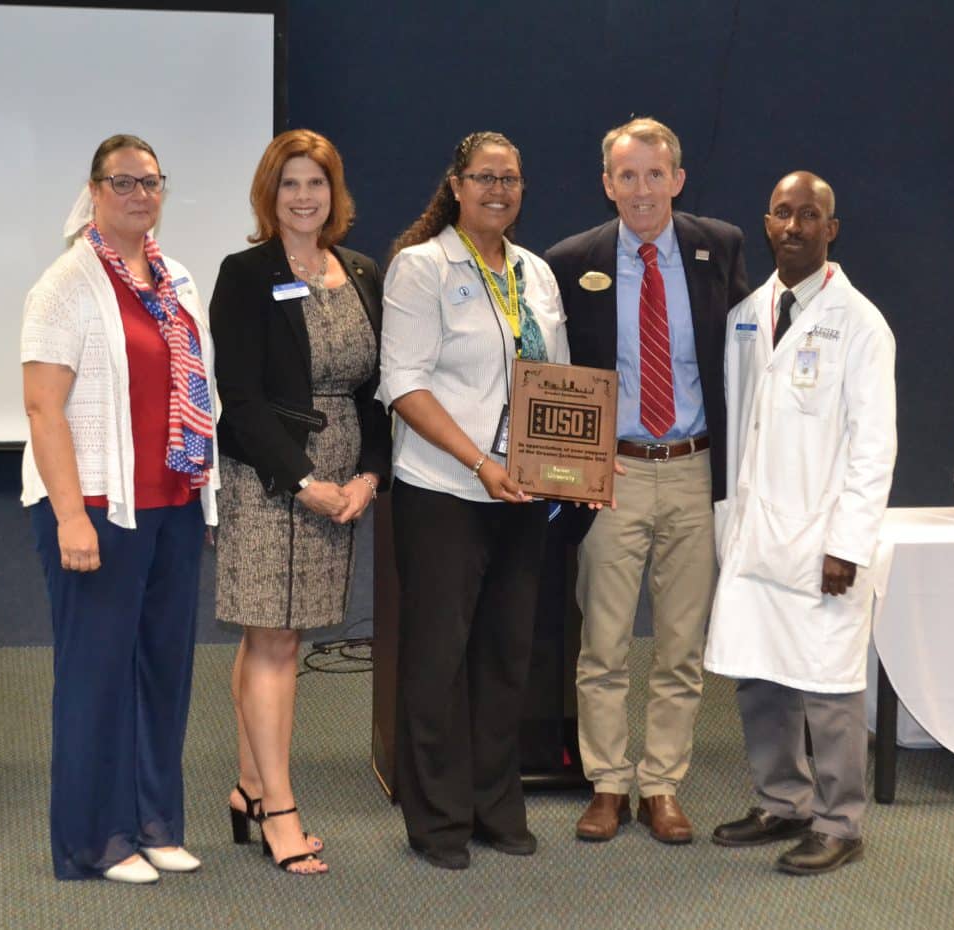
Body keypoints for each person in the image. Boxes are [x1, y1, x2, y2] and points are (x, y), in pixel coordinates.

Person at [545, 117, 749, 844]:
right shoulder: (571, 261)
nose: (641, 189)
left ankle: (661, 783)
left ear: (678, 179)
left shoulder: (717, 247)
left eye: (653, 174)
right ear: (607, 184)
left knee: (679, 642)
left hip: (693, 469)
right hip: (613, 473)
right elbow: (556, 375)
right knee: (602, 641)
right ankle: (607, 782)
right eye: (626, 176)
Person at [22, 134, 218, 882]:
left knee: (163, 670)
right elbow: (43, 410)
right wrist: (71, 515)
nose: (140, 195)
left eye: (151, 182)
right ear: (95, 191)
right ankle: (93, 840)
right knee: (96, 676)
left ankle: (154, 822)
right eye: (124, 183)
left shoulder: (178, 280)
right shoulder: (65, 283)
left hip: (171, 502)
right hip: (97, 507)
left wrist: (203, 495)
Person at [378, 131, 570, 870]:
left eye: (511, 179)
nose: (499, 189)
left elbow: (555, 380)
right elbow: (403, 384)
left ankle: (497, 806)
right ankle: (438, 822)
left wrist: (570, 469)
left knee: (505, 659)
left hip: (521, 495)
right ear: (456, 185)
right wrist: (477, 462)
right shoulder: (421, 269)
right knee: (436, 661)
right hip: (445, 493)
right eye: (485, 177)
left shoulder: (536, 274)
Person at [705, 171, 897, 875]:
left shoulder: (862, 325)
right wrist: (730, 521)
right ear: (765, 223)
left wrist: (848, 542)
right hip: (756, 531)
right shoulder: (749, 315)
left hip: (823, 539)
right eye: (783, 213)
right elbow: (738, 427)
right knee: (760, 674)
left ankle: (840, 821)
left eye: (809, 215)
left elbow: (875, 445)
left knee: (829, 682)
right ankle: (781, 800)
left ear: (831, 230)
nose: (794, 226)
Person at [210, 129, 390, 876]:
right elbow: (242, 401)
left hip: (343, 473)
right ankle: (281, 811)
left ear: (334, 193)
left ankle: (251, 788)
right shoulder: (246, 273)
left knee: (273, 640)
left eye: (317, 183)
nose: (305, 197)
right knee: (275, 640)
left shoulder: (362, 270)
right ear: (269, 195)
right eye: (290, 185)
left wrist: (368, 477)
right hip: (268, 475)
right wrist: (304, 481)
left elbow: (378, 389)